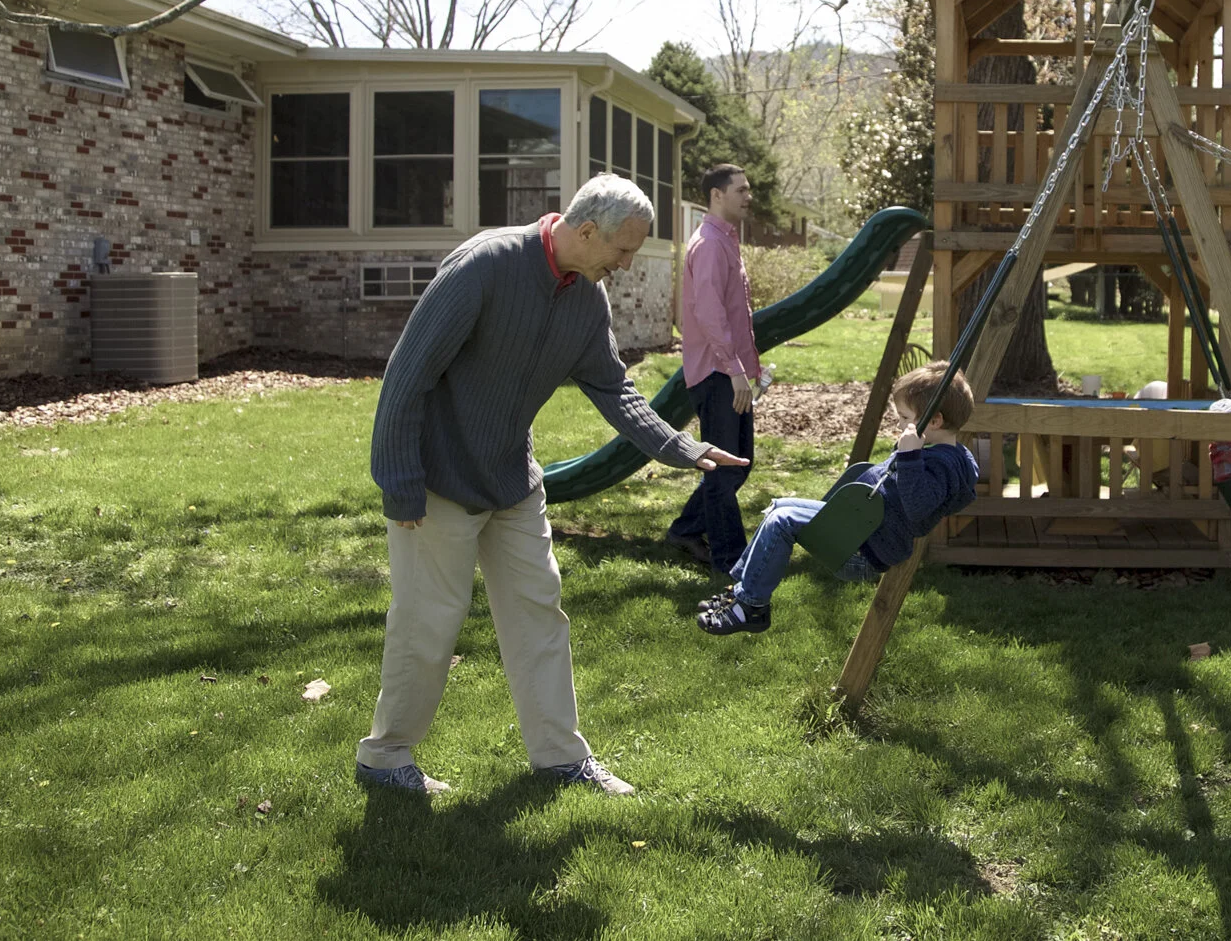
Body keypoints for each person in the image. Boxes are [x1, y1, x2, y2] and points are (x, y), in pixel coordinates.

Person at [357, 175, 748, 797]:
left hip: (512, 480)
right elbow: (407, 375)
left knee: (540, 614)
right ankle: (385, 757)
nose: (625, 265)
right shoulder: (486, 265)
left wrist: (682, 448)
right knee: (429, 622)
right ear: (586, 230)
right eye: (622, 250)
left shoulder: (586, 300)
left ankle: (561, 757)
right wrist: (399, 482)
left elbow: (613, 388)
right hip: (437, 479)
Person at [696, 362, 980, 635]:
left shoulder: (943, 464)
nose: (898, 423)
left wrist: (909, 456)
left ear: (935, 420)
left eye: (905, 418)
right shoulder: (937, 453)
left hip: (862, 550)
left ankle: (751, 607)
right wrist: (911, 451)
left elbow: (918, 508)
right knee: (779, 506)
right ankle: (740, 592)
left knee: (781, 521)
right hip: (857, 529)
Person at [666, 163, 759, 577]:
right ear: (717, 195)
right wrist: (735, 369)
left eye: (748, 189)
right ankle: (731, 560)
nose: (748, 196)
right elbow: (708, 313)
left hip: (730, 372)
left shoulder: (726, 241)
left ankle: (686, 529)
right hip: (717, 373)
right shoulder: (708, 244)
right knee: (725, 470)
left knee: (740, 463)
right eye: (740, 189)